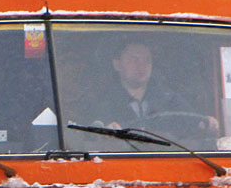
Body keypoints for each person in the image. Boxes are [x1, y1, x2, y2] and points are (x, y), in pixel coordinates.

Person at [90, 41, 219, 135]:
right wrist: (104, 133)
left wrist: (206, 124)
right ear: (117, 64)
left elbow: (191, 125)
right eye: (134, 59)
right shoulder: (101, 102)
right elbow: (87, 139)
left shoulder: (170, 99)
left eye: (147, 60)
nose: (142, 66)